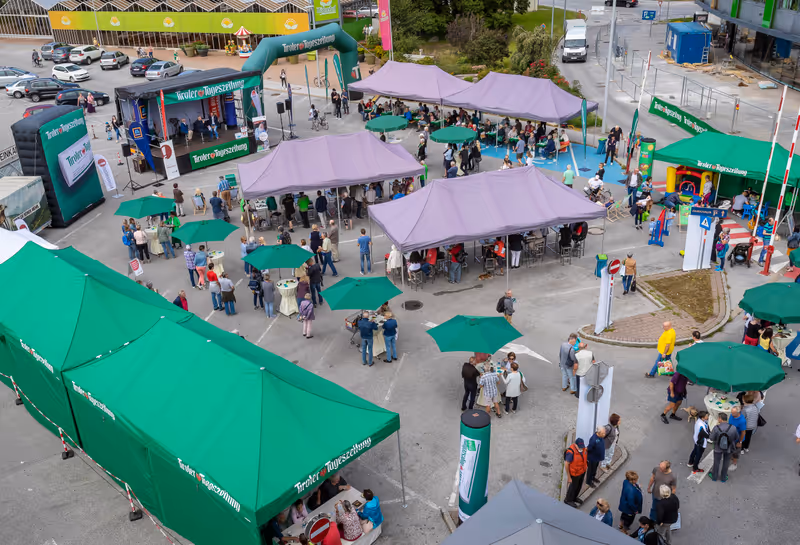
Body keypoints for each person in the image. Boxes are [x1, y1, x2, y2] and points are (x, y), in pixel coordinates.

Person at [709, 413, 740, 483]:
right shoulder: (733, 428)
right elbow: (736, 437)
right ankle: (723, 477)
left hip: (718, 448)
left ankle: (714, 477)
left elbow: (711, 438)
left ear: (720, 418)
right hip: (729, 448)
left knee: (716, 462)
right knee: (726, 462)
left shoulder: (716, 428)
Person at [563, 438, 587, 507]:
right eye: (579, 447)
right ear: (575, 445)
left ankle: (574, 498)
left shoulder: (583, 449)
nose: (581, 448)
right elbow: (566, 464)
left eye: (582, 446)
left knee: (578, 486)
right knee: (573, 487)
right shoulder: (570, 452)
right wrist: (569, 477)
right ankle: (568, 500)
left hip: (582, 471)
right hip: (575, 474)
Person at [727, 405, 747, 472]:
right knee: (730, 449)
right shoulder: (732, 415)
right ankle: (731, 457)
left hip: (737, 439)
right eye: (731, 412)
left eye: (733, 413)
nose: (731, 414)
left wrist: (740, 442)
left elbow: (743, 432)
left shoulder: (742, 421)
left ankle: (734, 463)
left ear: (738, 412)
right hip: (731, 437)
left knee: (736, 452)